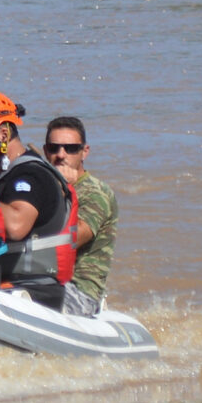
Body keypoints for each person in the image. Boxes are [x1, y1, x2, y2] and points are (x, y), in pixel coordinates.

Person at [0, 91, 74, 311]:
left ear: (2, 134)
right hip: (4, 283)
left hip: (33, 290)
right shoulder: (4, 177)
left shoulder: (31, 176)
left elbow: (15, 227)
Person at [42, 114, 119, 315]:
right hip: (41, 278)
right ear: (45, 151)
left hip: (79, 290)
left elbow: (72, 238)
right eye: (54, 148)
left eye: (71, 149)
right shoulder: (41, 186)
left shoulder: (96, 193)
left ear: (84, 152)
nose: (61, 154)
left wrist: (63, 189)